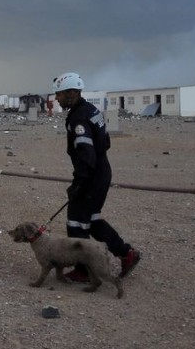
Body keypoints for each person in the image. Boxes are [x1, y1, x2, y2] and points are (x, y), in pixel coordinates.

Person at [52, 72, 141, 281]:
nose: (57, 98)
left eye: (59, 94)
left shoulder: (79, 117)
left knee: (76, 222)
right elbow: (105, 142)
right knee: (91, 219)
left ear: (71, 93)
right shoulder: (90, 110)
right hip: (101, 171)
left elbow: (86, 151)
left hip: (91, 175)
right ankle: (126, 253)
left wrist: (80, 181)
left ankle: (84, 270)